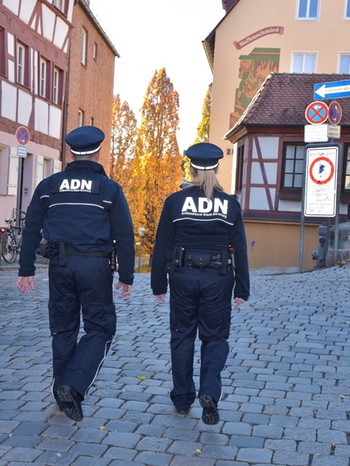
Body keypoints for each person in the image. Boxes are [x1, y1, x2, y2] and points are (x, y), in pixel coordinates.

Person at [17, 125, 135, 422]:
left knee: (63, 329)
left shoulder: (49, 186)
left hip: (60, 267)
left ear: (71, 152)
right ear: (97, 152)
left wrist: (26, 269)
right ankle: (73, 386)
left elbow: (31, 229)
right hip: (95, 268)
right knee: (100, 329)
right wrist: (127, 275)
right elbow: (124, 234)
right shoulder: (109, 190)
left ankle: (62, 392)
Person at [151, 142, 250, 425]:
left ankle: (182, 399)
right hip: (218, 280)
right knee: (215, 337)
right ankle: (209, 391)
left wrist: (158, 284)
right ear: (217, 168)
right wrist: (242, 288)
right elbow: (240, 248)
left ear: (191, 168)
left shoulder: (175, 202)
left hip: (182, 277)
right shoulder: (230, 204)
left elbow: (162, 246)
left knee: (182, 336)